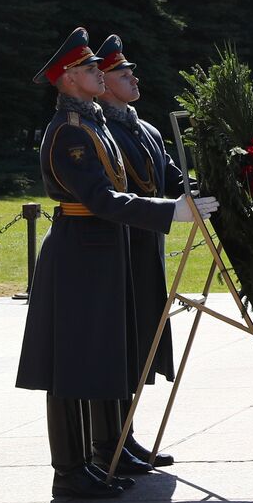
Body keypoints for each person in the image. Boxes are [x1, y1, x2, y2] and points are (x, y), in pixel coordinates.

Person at [16, 27, 218, 500]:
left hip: (103, 249)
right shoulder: (68, 133)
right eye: (89, 69)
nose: (98, 75)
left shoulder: (95, 125)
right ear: (66, 80)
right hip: (79, 252)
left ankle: (108, 447)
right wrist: (170, 211)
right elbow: (100, 198)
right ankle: (69, 468)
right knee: (71, 365)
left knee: (104, 352)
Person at [90, 35, 188, 474]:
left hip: (146, 248)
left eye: (131, 72)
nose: (133, 78)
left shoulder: (144, 128)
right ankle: (110, 441)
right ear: (104, 83)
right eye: (121, 74)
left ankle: (125, 437)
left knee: (140, 342)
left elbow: (171, 178)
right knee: (117, 345)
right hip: (116, 250)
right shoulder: (100, 130)